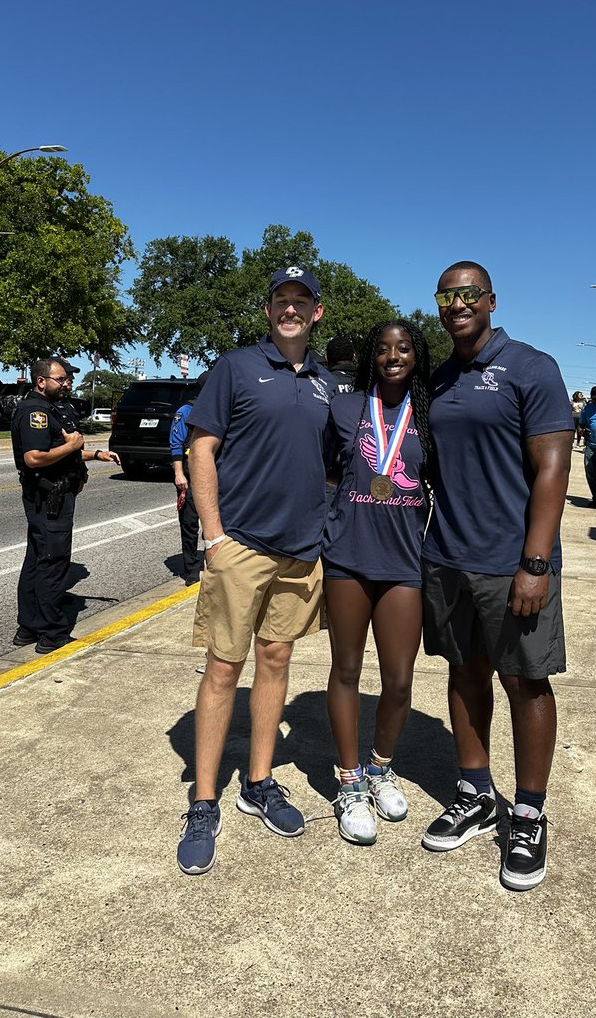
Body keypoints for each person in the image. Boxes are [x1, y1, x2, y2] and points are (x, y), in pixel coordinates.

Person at [176, 266, 336, 876]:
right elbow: (201, 448)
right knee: (224, 668)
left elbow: (328, 464)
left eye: (301, 301)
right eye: (281, 300)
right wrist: (213, 537)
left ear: (317, 312)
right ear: (269, 310)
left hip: (302, 551)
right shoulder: (235, 367)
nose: (290, 309)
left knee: (276, 660)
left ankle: (260, 782)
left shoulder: (325, 382)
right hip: (240, 545)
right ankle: (204, 798)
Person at [421, 261, 572, 892]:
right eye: (446, 296)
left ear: (490, 300)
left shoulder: (530, 368)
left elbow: (554, 465)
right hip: (449, 556)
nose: (458, 305)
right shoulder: (442, 376)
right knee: (464, 671)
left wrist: (534, 563)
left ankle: (529, 810)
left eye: (468, 295)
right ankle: (476, 792)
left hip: (513, 562)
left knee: (526, 681)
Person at [321, 320, 433, 845]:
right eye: (383, 349)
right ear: (370, 356)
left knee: (400, 679)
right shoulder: (345, 409)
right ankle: (349, 782)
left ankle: (381, 767)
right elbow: (327, 473)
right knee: (345, 670)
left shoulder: (429, 414)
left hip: (405, 561)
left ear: (416, 355)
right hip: (347, 557)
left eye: (403, 348)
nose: (393, 356)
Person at [11, 357, 120, 654]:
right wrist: (73, 446)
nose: (66, 382)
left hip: (49, 497)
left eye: (67, 378)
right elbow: (35, 457)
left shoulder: (51, 409)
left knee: (36, 558)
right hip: (49, 499)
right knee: (53, 562)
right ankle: (52, 633)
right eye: (60, 379)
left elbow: (62, 452)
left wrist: (95, 454)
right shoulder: (36, 412)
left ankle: (29, 626)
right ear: (41, 381)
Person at [170, 386, 204, 586]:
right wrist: (178, 473)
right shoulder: (186, 411)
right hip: (189, 476)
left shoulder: (220, 407)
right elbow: (176, 443)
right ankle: (191, 568)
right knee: (189, 522)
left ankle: (213, 561)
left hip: (215, 475)